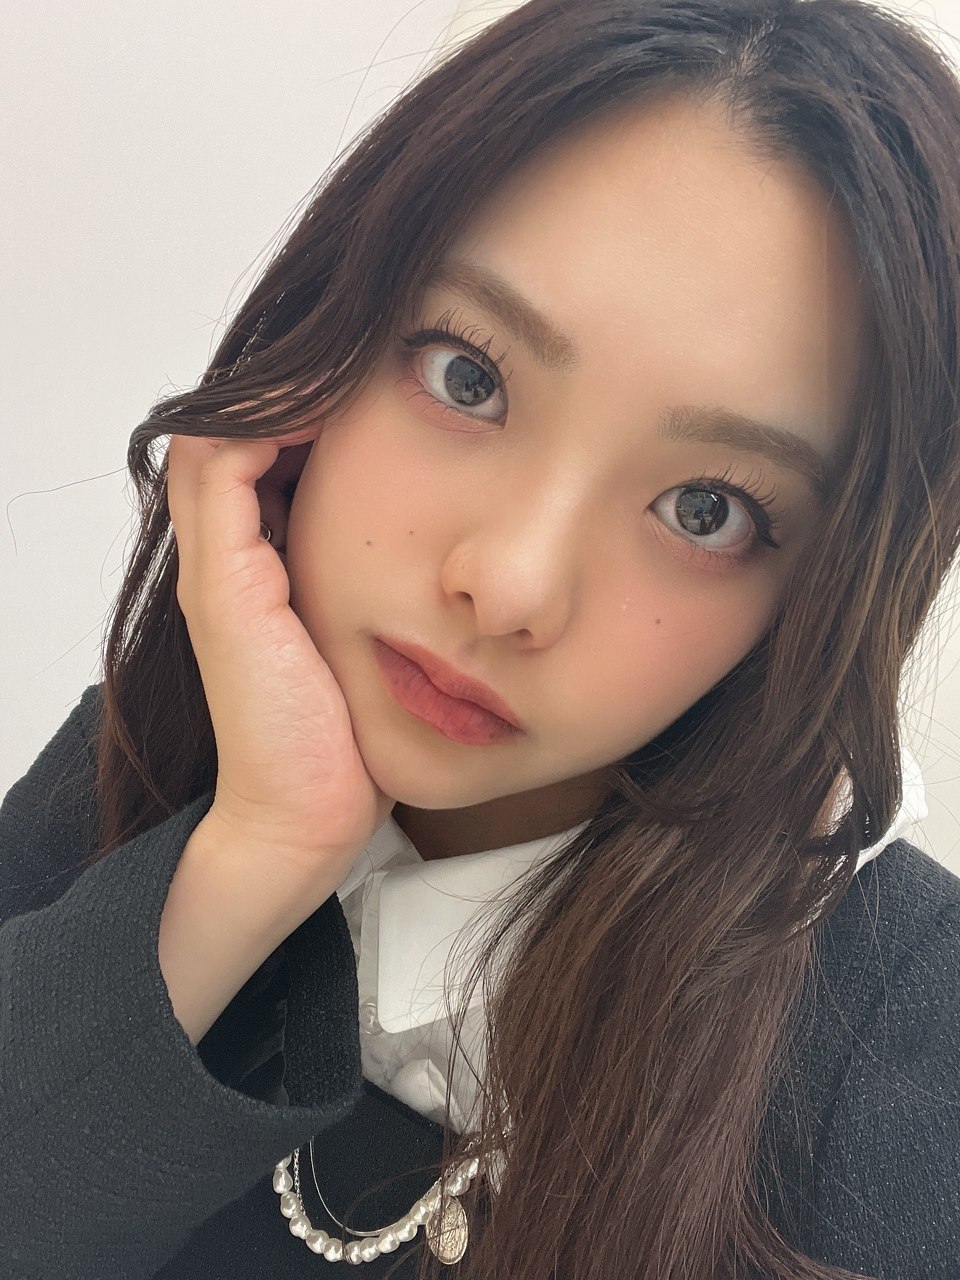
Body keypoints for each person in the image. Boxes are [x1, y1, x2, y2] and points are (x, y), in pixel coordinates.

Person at [2, 0, 960, 1275]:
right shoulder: (153, 753)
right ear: (324, 345)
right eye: (470, 375)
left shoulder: (903, 1036)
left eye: (706, 508)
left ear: (820, 592)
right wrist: (257, 851)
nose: (510, 586)